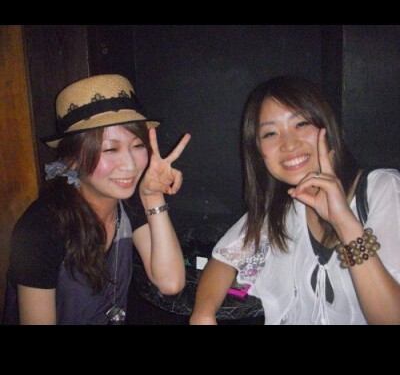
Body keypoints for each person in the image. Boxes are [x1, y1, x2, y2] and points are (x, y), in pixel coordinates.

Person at [190, 75, 400, 325]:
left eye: (300, 124)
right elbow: (224, 259)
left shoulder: (382, 188)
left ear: (326, 127)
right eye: (270, 133)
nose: (289, 144)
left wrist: (345, 223)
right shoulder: (286, 206)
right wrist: (203, 314)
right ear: (258, 151)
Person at [3, 74, 191, 325]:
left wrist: (153, 196)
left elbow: (171, 282)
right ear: (72, 160)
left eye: (137, 146)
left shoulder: (128, 202)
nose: (130, 165)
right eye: (110, 149)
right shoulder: (41, 227)